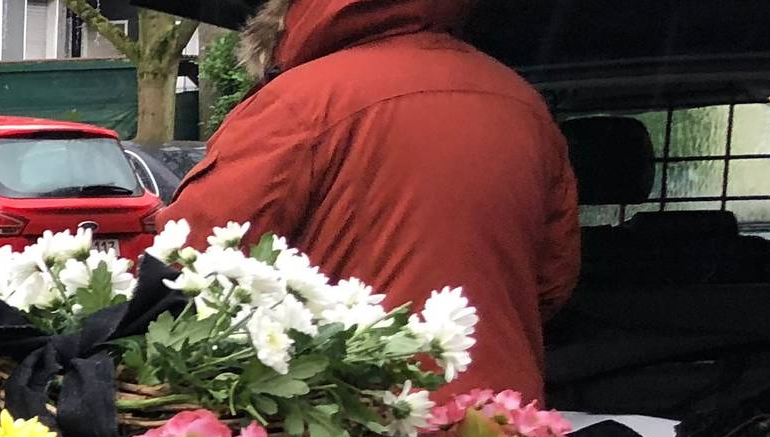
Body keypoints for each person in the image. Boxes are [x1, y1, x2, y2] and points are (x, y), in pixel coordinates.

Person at [160, 0, 578, 403]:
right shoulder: (522, 104)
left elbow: (191, 261)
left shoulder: (298, 102)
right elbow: (553, 279)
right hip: (506, 418)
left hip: (356, 421)